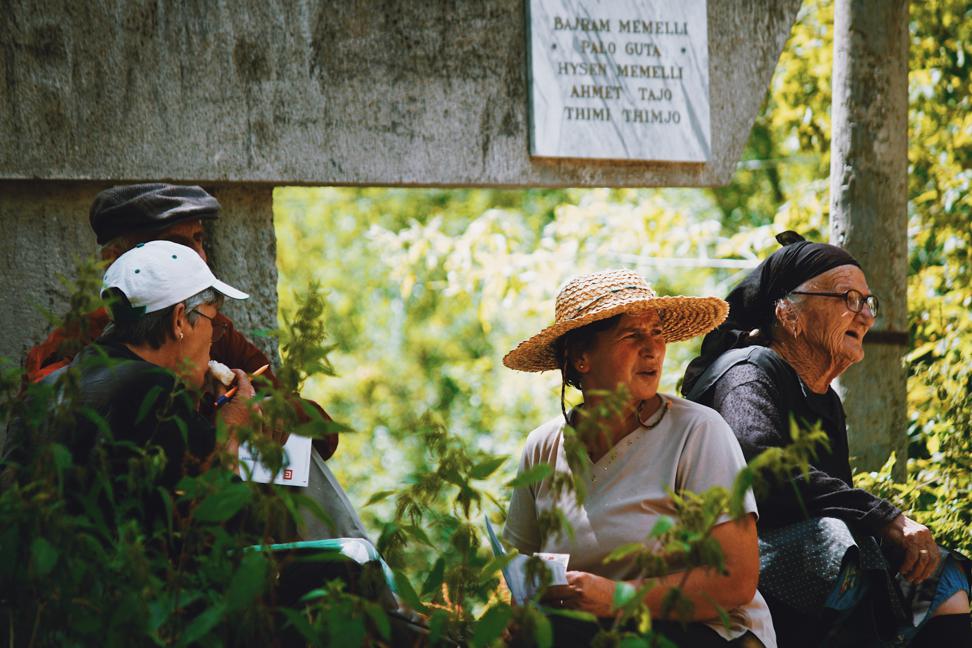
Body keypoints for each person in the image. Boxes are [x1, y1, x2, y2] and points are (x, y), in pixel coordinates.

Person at [20, 183, 369, 541]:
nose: (199, 259)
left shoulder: (214, 330)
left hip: (184, 508)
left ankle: (358, 580)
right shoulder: (85, 353)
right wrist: (220, 421)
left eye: (200, 240)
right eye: (177, 247)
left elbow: (320, 434)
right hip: (138, 527)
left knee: (294, 459)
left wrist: (268, 416)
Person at [681, 232, 971, 647]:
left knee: (937, 570)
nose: (865, 316)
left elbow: (832, 495)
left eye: (868, 303)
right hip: (733, 554)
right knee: (839, 544)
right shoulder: (748, 371)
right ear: (788, 312)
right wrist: (884, 515)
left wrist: (883, 522)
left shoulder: (824, 399)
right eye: (848, 299)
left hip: (804, 554)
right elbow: (764, 471)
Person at [502, 269, 776, 647]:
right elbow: (517, 573)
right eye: (632, 335)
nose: (653, 349)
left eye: (657, 333)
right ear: (582, 358)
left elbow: (736, 579)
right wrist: (514, 614)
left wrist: (616, 598)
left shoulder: (696, 431)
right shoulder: (543, 448)